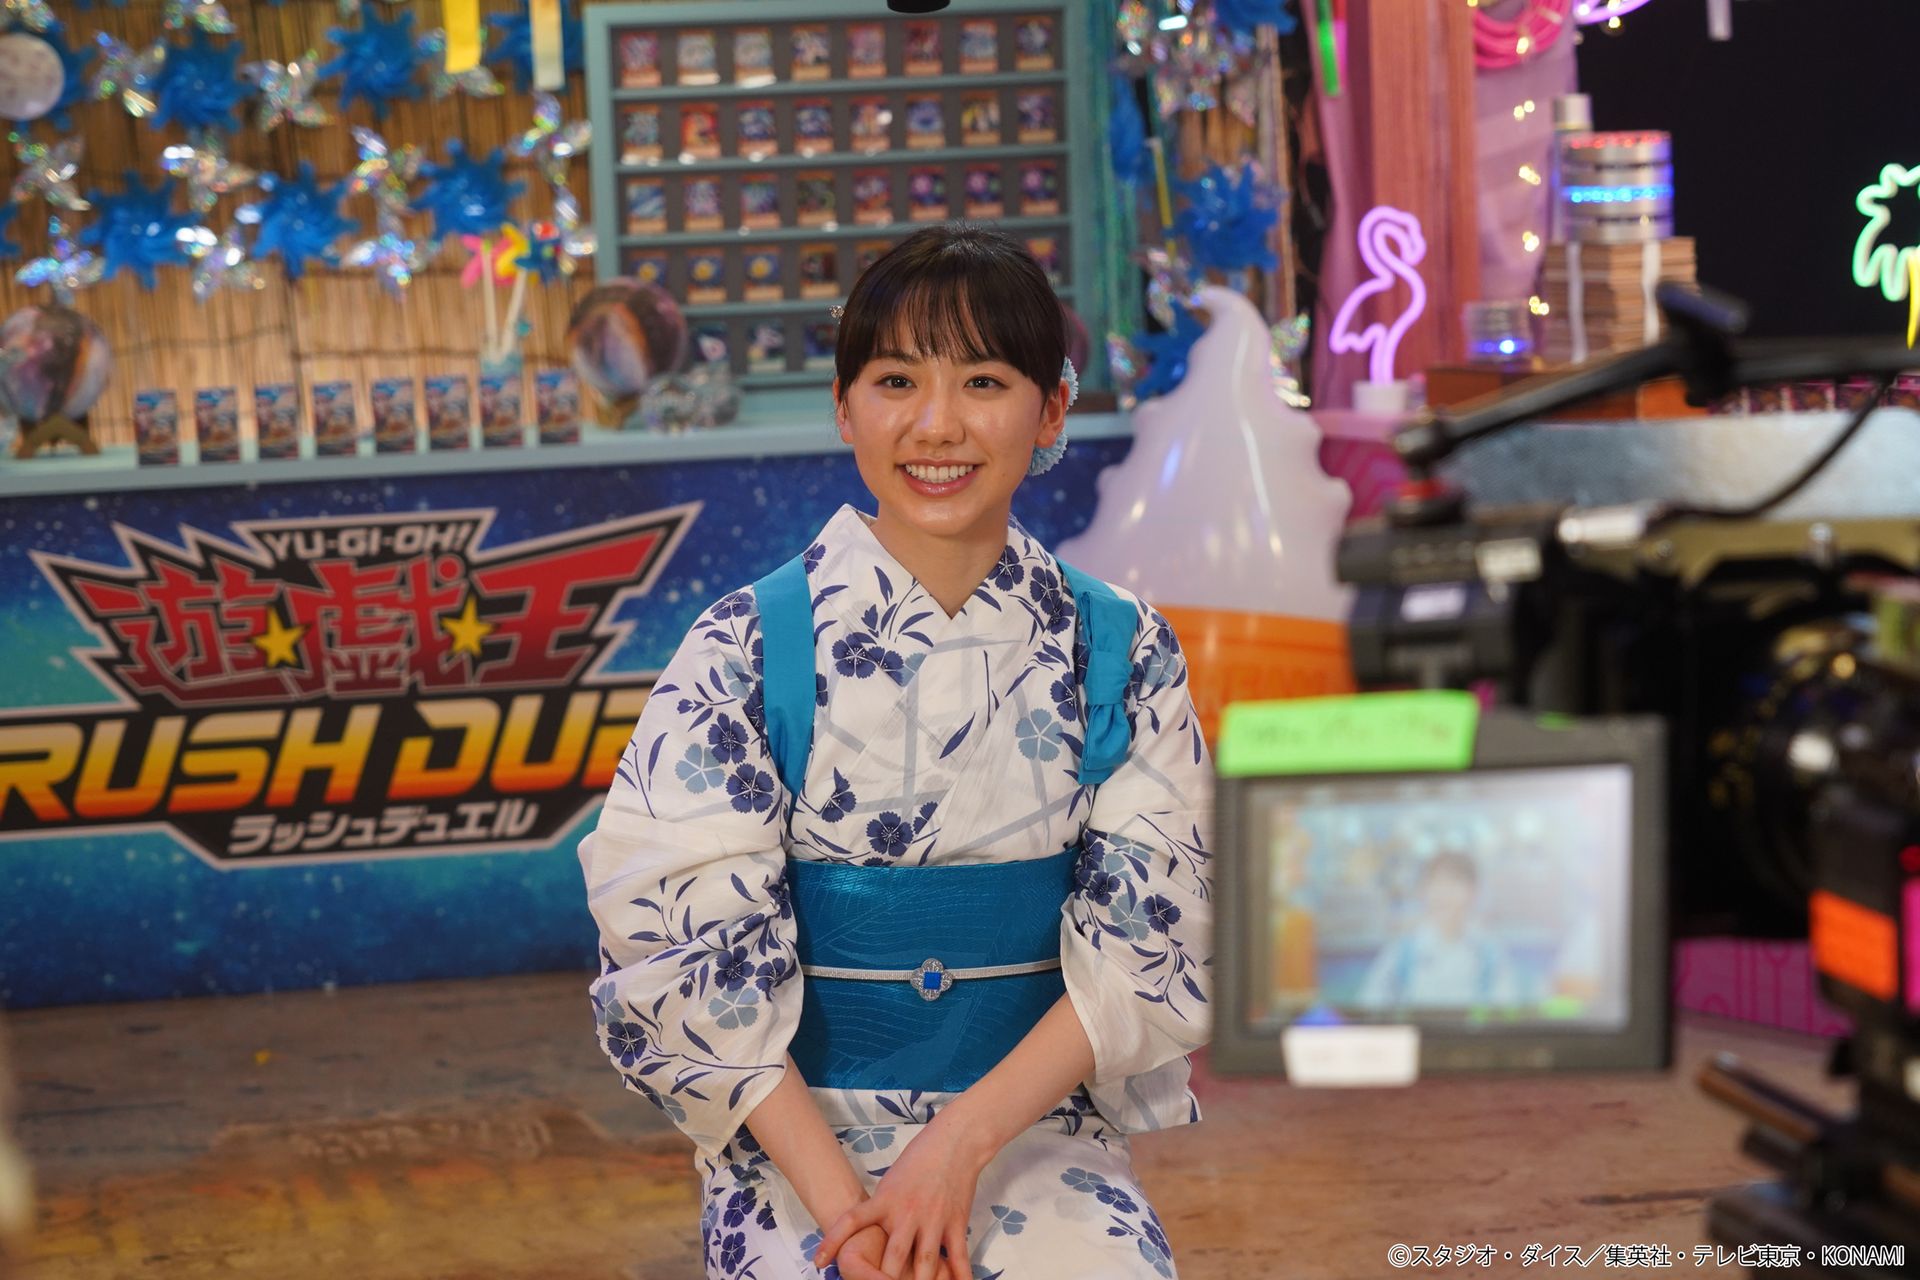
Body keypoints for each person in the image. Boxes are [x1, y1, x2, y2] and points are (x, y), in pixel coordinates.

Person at [579, 224, 1213, 1280]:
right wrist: (851, 1215)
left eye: (984, 381)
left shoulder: (1120, 647)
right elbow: (677, 953)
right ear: (845, 406)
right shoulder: (745, 645)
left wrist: (955, 1148)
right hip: (794, 1139)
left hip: (1031, 1128)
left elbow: (1156, 935)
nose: (937, 424)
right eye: (896, 381)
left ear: (1051, 410)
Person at [1356, 850, 1519, 1011]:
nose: (1443, 893)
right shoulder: (1403, 952)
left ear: (1473, 892)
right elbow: (1369, 1007)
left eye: (1453, 883)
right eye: (1436, 883)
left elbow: (1505, 1011)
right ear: (1423, 891)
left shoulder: (1489, 953)